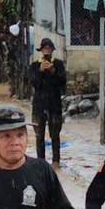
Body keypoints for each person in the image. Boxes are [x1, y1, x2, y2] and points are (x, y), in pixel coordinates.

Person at [27, 38, 67, 166]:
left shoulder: (59, 64)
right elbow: (34, 83)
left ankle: (56, 161)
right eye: (45, 48)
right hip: (39, 105)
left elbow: (62, 82)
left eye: (49, 48)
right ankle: (41, 162)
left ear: (52, 50)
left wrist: (52, 71)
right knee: (39, 136)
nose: (47, 51)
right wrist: (41, 70)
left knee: (55, 135)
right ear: (41, 50)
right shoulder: (34, 66)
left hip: (54, 104)